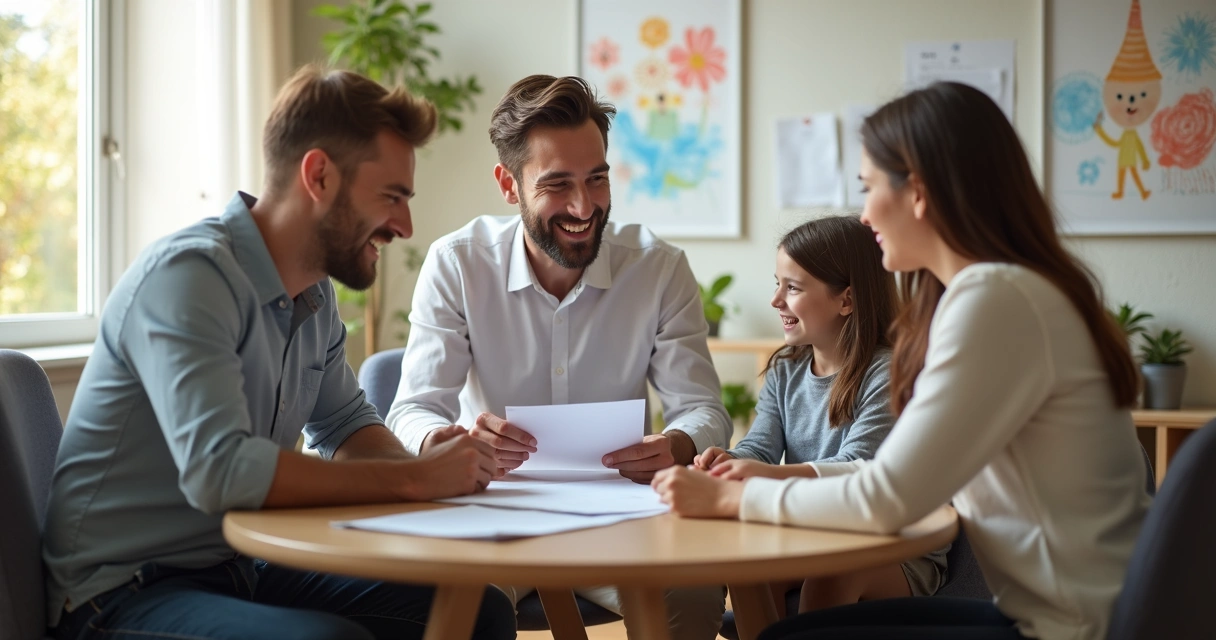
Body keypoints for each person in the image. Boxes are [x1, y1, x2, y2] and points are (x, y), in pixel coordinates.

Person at [653, 81, 1151, 640]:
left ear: (917, 191)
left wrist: (733, 496)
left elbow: (887, 500)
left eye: (868, 188)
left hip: (1073, 628)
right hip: (1067, 612)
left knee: (789, 634)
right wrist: (763, 476)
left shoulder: (996, 300)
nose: (865, 215)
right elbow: (893, 477)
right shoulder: (1007, 292)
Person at [43, 65, 515, 640]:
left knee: (477, 610)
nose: (406, 225)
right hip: (120, 592)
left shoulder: (313, 291)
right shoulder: (189, 277)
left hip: (237, 567)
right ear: (318, 176)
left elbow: (345, 426)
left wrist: (426, 466)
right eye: (391, 196)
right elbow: (222, 472)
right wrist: (415, 480)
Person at [386, 74, 730, 640]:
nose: (583, 205)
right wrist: (447, 440)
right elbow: (412, 410)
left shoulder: (659, 269)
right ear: (507, 184)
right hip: (495, 513)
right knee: (455, 606)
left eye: (597, 179)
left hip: (623, 516)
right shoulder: (457, 264)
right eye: (557, 184)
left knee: (691, 594)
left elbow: (703, 409)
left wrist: (677, 444)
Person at [693, 215, 947, 616]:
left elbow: (855, 468)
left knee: (833, 574)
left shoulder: (888, 372)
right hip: (815, 529)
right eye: (777, 283)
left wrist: (760, 477)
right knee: (752, 569)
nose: (776, 300)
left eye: (792, 288)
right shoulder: (785, 369)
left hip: (894, 545)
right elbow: (760, 446)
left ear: (846, 299)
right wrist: (728, 463)